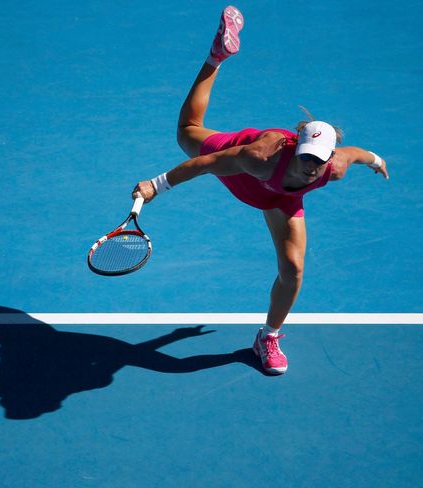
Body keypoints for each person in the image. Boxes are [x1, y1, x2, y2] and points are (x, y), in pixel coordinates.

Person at [132, 5, 389, 375]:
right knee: (187, 130)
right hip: (241, 173)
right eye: (305, 156)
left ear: (329, 158)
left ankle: (268, 337)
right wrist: (157, 185)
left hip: (281, 200)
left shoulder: (334, 168)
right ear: (296, 146)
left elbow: (358, 154)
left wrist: (377, 160)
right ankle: (216, 57)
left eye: (318, 160)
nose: (309, 165)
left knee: (293, 270)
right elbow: (205, 165)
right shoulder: (259, 156)